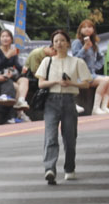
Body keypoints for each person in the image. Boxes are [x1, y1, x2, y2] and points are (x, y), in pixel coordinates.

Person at [34, 27, 94, 184]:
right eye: (56, 41)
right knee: (50, 136)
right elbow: (41, 83)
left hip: (69, 100)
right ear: (52, 44)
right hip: (51, 102)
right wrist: (56, 82)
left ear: (68, 43)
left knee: (70, 137)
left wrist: (70, 83)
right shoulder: (47, 61)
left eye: (62, 40)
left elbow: (87, 83)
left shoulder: (77, 62)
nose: (59, 43)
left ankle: (69, 168)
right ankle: (50, 169)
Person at [0, 28, 34, 119]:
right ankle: (19, 112)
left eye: (7, 36)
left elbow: (17, 65)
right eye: (3, 36)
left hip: (13, 75)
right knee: (18, 88)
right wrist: (7, 56)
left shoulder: (13, 51)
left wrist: (23, 68)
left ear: (11, 39)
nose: (5, 38)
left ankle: (21, 101)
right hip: (2, 77)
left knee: (24, 80)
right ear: (0, 39)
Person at [73, 20, 109, 114]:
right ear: (80, 30)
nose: (87, 29)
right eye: (84, 27)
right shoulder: (77, 42)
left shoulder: (94, 44)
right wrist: (84, 48)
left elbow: (101, 58)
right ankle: (95, 108)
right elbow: (75, 59)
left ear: (93, 30)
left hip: (91, 74)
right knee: (104, 80)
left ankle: (104, 107)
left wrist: (95, 67)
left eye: (90, 27)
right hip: (80, 76)